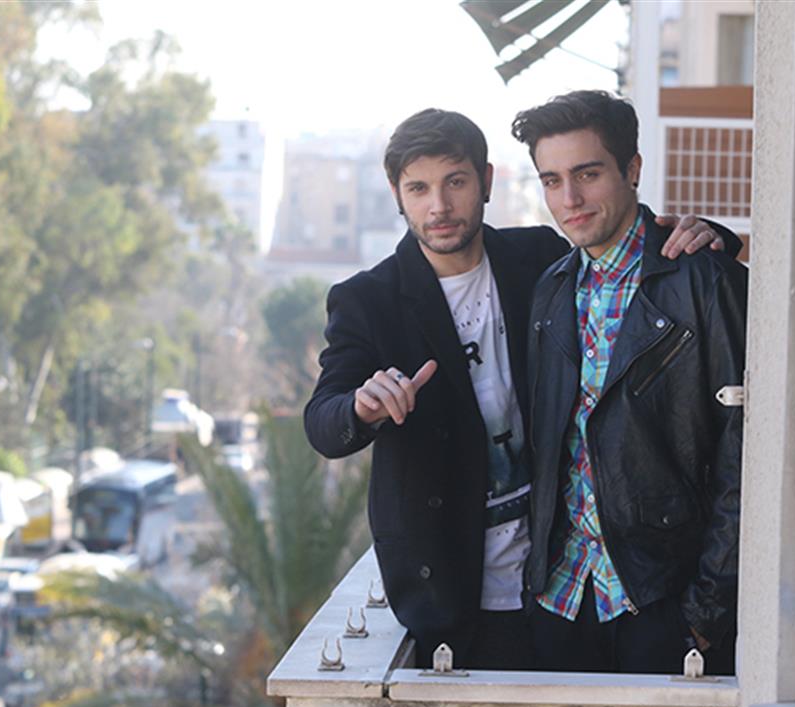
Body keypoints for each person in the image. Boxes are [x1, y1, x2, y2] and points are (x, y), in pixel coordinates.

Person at [303, 108, 738, 670]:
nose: (439, 206)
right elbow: (323, 420)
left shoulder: (538, 259)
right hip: (455, 588)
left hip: (557, 578)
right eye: (418, 189)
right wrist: (361, 408)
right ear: (396, 195)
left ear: (485, 181)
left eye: (455, 182)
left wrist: (712, 237)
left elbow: (630, 250)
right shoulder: (369, 299)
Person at [514, 90, 746, 675]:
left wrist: (706, 612)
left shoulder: (704, 280)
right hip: (561, 598)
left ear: (633, 169)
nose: (569, 199)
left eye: (587, 174)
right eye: (552, 181)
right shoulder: (550, 290)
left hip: (663, 599)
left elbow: (746, 453)